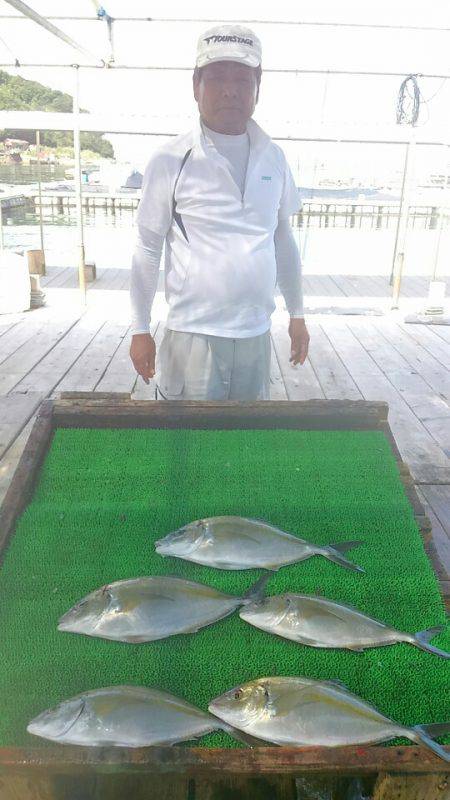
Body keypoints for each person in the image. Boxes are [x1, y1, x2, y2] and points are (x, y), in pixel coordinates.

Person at [129, 24, 309, 400]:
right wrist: (139, 328)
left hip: (256, 334)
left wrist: (297, 314)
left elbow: (282, 237)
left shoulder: (274, 157)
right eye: (217, 78)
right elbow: (148, 247)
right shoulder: (171, 158)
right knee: (186, 449)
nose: (230, 89)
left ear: (259, 86)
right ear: (196, 85)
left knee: (245, 447)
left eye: (242, 79)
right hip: (192, 334)